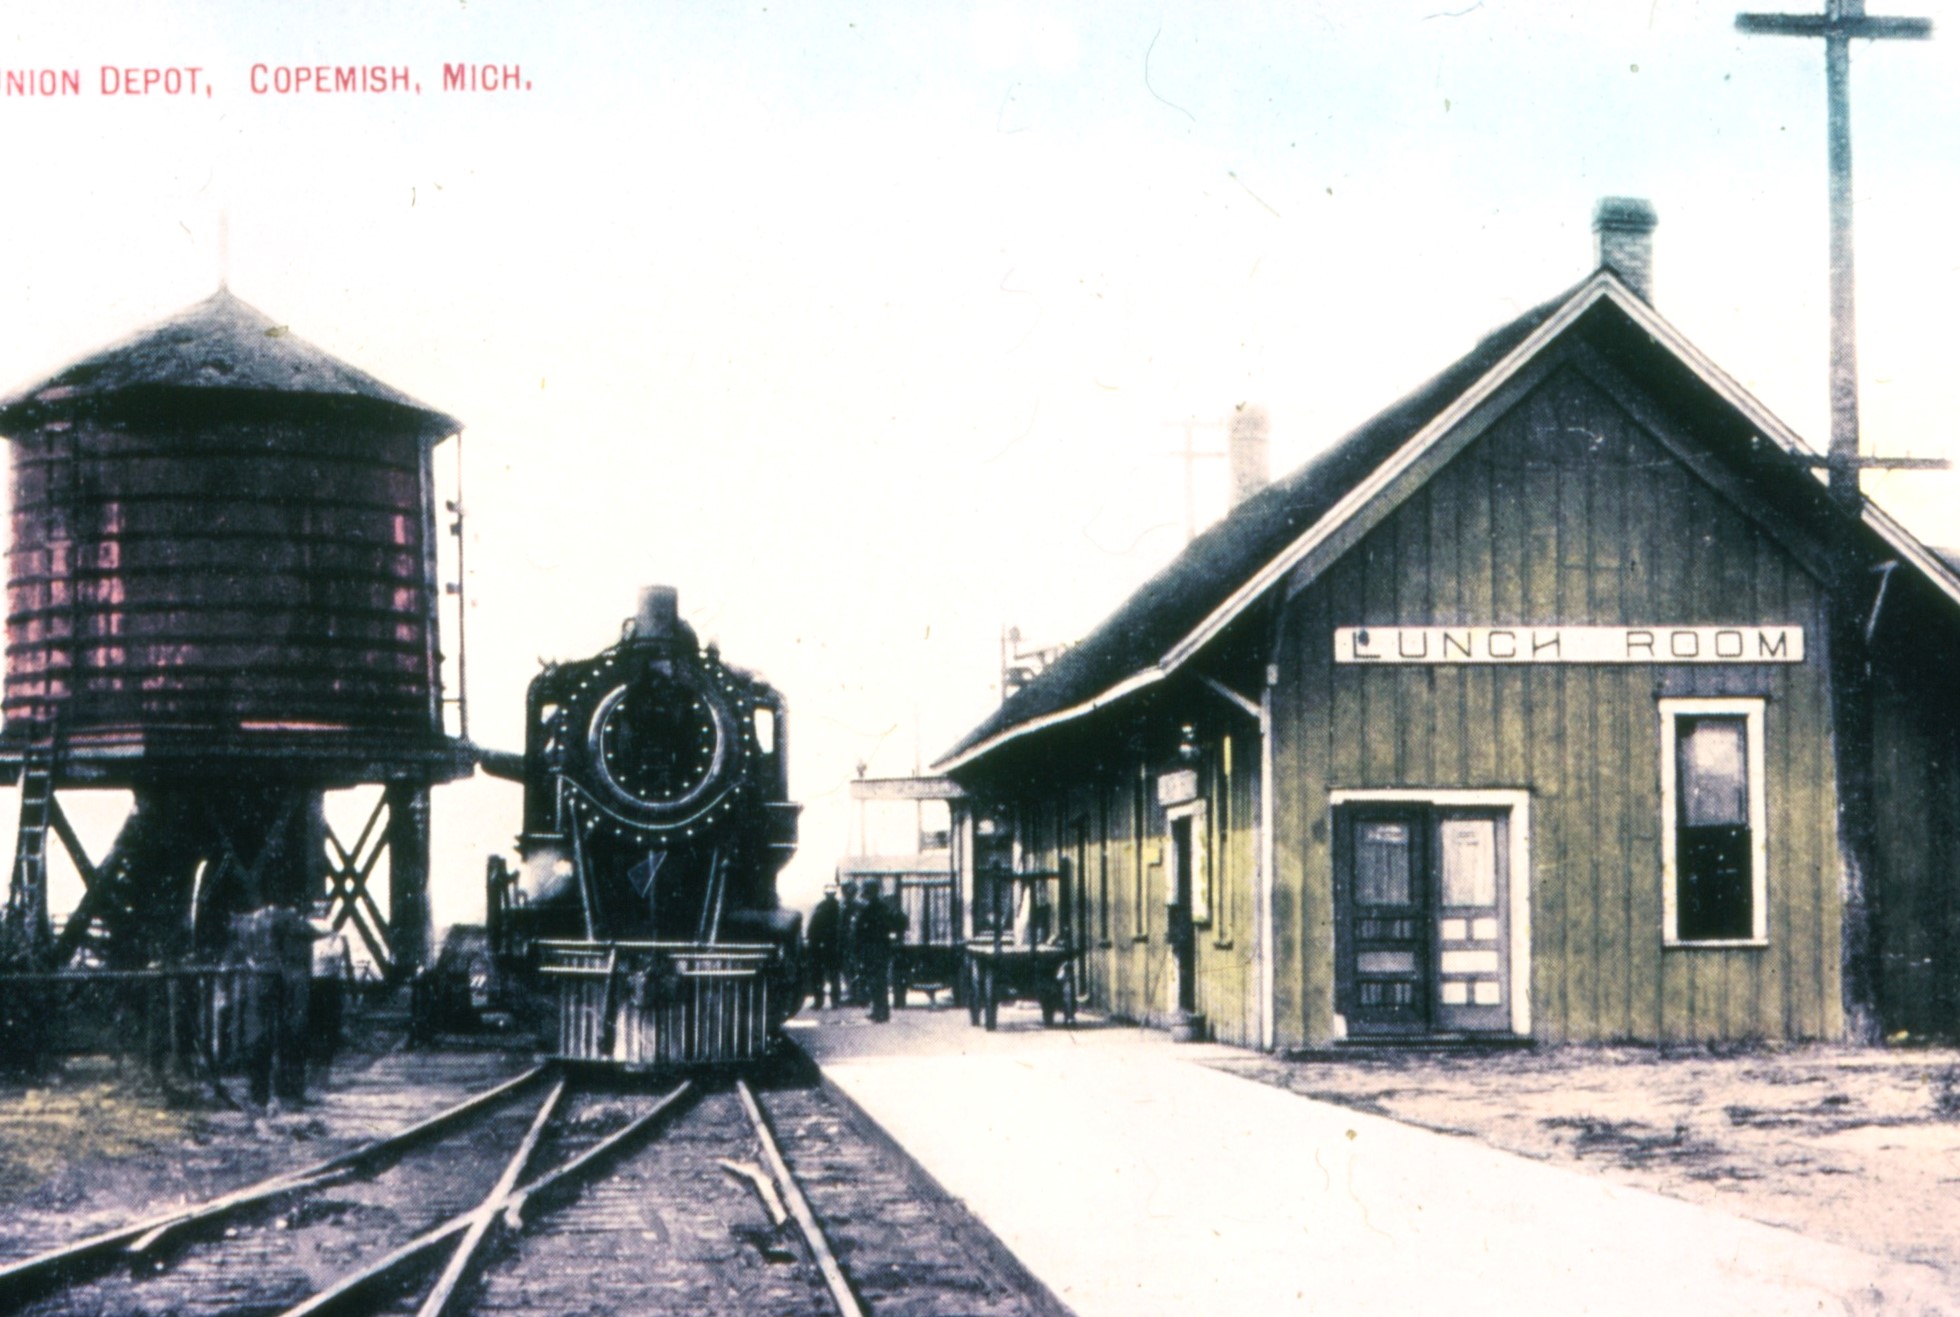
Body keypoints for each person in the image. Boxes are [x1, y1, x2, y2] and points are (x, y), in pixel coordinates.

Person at [805, 886, 843, 1008]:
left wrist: (812, 941)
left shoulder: (821, 907)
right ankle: (834, 1001)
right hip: (832, 946)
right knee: (833, 975)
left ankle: (820, 1001)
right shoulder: (839, 907)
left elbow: (813, 927)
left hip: (821, 946)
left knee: (819, 975)